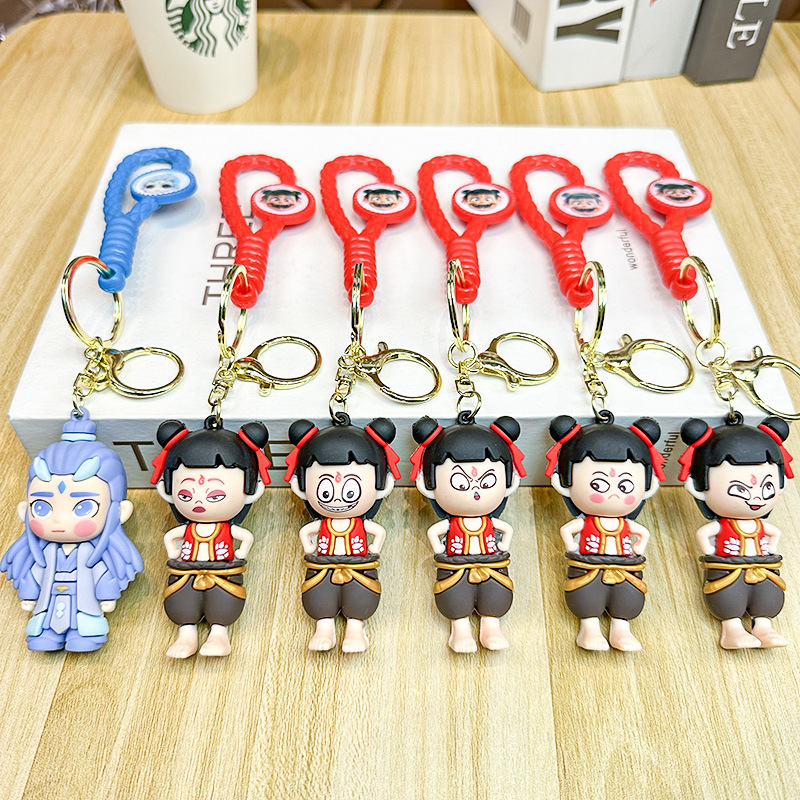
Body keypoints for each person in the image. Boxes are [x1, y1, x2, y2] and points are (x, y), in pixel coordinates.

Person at [2, 410, 142, 652]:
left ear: (120, 512)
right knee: (44, 622)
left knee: (85, 624)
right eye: (42, 507)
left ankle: (85, 636)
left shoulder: (93, 553)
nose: (59, 519)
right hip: (48, 600)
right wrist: (29, 593)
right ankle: (45, 634)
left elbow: (104, 573)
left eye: (83, 507)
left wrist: (107, 594)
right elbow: (34, 573)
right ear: (24, 510)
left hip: (84, 603)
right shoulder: (44, 553)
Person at [151, 415, 270, 658]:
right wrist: (174, 553)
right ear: (168, 489)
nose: (198, 502)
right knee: (181, 600)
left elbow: (245, 537)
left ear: (251, 489)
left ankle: (219, 635)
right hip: (186, 571)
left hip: (223, 571)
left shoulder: (226, 529)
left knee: (224, 600)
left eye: (214, 496)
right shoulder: (189, 529)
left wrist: (240, 554)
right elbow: (171, 537)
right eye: (186, 495)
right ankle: (186, 635)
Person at [546, 415, 663, 651]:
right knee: (586, 595)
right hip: (588, 565)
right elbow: (567, 529)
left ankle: (622, 630)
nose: (613, 494)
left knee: (627, 597)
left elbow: (643, 533)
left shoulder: (624, 524)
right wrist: (572, 547)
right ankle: (589, 630)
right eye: (598, 485)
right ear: (565, 482)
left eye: (625, 486)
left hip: (625, 567)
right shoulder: (587, 522)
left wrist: (638, 549)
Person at [285, 415, 399, 652]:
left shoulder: (359, 523)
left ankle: (356, 629)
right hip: (322, 566)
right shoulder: (324, 524)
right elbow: (306, 531)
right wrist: (310, 549)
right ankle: (323, 627)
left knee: (361, 595)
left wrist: (373, 550)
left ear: (381, 485)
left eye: (349, 491)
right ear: (301, 486)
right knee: (319, 594)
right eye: (326, 491)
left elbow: (378, 531)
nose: (337, 499)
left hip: (358, 566)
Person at [412, 415, 524, 653]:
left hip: (491, 562)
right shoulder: (453, 523)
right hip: (455, 564)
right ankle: (459, 630)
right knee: (454, 595)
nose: (475, 491)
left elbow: (507, 529)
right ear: (428, 485)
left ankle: (491, 627)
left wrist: (503, 547)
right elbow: (434, 531)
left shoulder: (488, 521)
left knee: (496, 592)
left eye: (487, 482)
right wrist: (440, 550)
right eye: (461, 484)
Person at [679, 415, 792, 649]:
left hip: (763, 566)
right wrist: (711, 553)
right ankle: (732, 630)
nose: (756, 498)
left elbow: (774, 533)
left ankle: (764, 627)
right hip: (727, 566)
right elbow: (704, 534)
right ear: (698, 487)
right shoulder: (723, 526)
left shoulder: (759, 525)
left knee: (768, 594)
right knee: (728, 595)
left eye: (767, 487)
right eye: (740, 489)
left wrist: (771, 549)